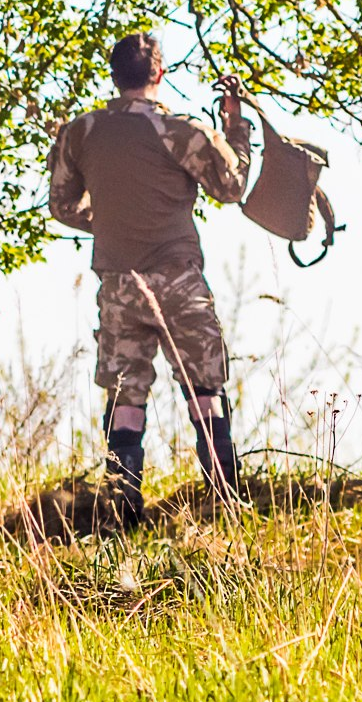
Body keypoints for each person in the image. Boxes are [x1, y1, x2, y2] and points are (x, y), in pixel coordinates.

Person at [47, 33, 253, 525]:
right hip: (179, 280)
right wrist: (235, 125)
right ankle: (225, 500)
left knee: (125, 394)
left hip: (118, 284)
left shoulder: (80, 132)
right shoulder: (179, 130)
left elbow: (60, 205)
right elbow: (232, 186)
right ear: (159, 74)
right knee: (205, 389)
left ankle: (121, 507)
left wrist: (106, 221)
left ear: (114, 76)